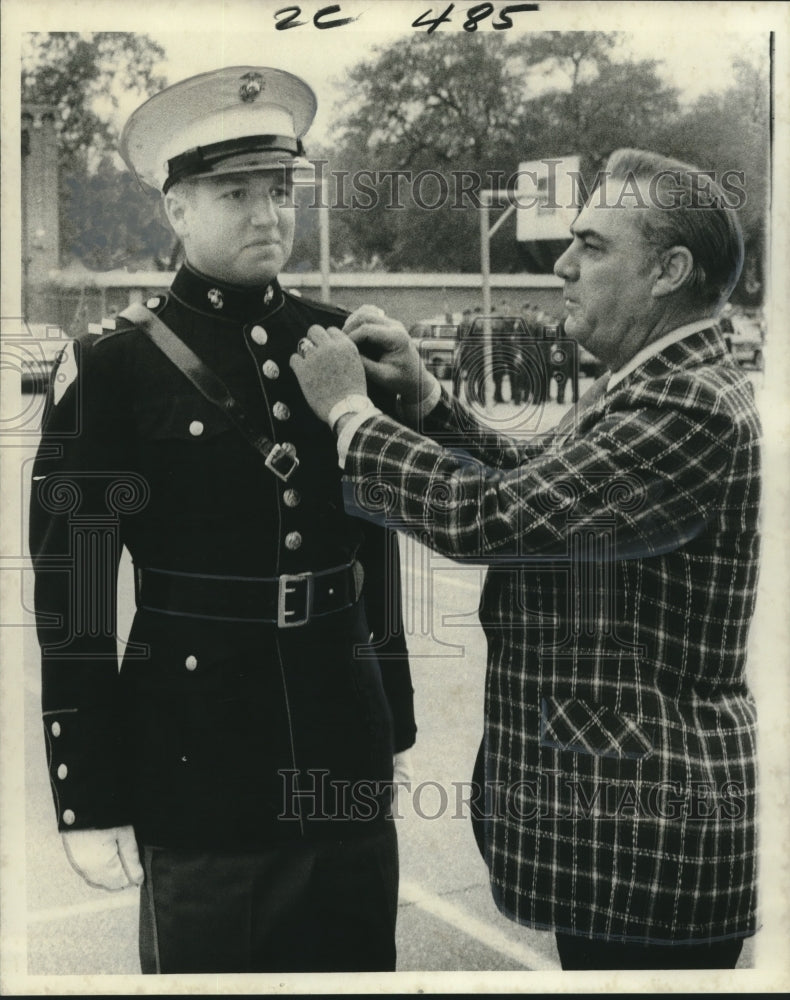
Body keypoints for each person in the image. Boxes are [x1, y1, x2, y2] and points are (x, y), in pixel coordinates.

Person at [290, 149, 760, 970]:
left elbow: (495, 519)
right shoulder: (657, 378)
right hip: (630, 830)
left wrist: (351, 415)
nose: (563, 266)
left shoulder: (687, 402)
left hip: (648, 842)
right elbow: (545, 493)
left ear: (670, 270)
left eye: (593, 245)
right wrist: (427, 400)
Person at [29, 66, 416, 974]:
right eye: (235, 193)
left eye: (280, 191)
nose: (267, 215)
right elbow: (77, 599)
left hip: (341, 757)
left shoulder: (340, 345)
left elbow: (374, 548)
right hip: (197, 765)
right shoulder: (114, 369)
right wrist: (87, 795)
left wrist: (388, 717)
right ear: (176, 210)